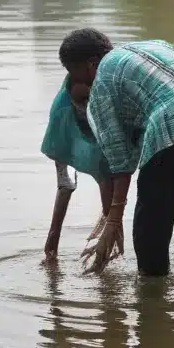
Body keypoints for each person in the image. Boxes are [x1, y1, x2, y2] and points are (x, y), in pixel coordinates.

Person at [47, 28, 174, 287]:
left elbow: (120, 160)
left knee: (152, 216)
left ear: (91, 65)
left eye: (74, 73)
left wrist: (113, 220)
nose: (77, 81)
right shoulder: (154, 45)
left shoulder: (102, 80)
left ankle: (152, 289)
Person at [41, 76, 114, 262]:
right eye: (83, 101)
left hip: (102, 125)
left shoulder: (107, 100)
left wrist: (111, 224)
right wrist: (53, 235)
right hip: (70, 118)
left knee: (107, 177)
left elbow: (107, 177)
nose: (86, 105)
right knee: (67, 182)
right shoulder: (61, 114)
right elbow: (65, 181)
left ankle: (106, 249)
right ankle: (52, 247)